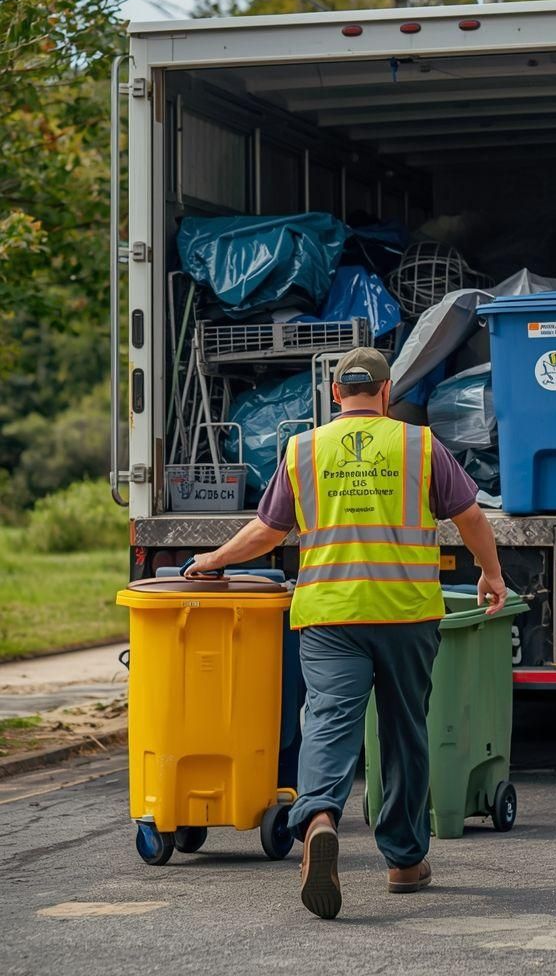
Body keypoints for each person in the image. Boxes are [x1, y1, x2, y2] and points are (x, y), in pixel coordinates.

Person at [184, 348, 506, 920]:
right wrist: (490, 573)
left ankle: (319, 821)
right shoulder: (418, 444)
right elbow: (471, 516)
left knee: (329, 723)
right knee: (405, 731)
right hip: (405, 614)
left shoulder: (304, 449)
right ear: (386, 393)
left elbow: (267, 530)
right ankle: (405, 862)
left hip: (329, 616)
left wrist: (213, 558)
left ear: (335, 395)